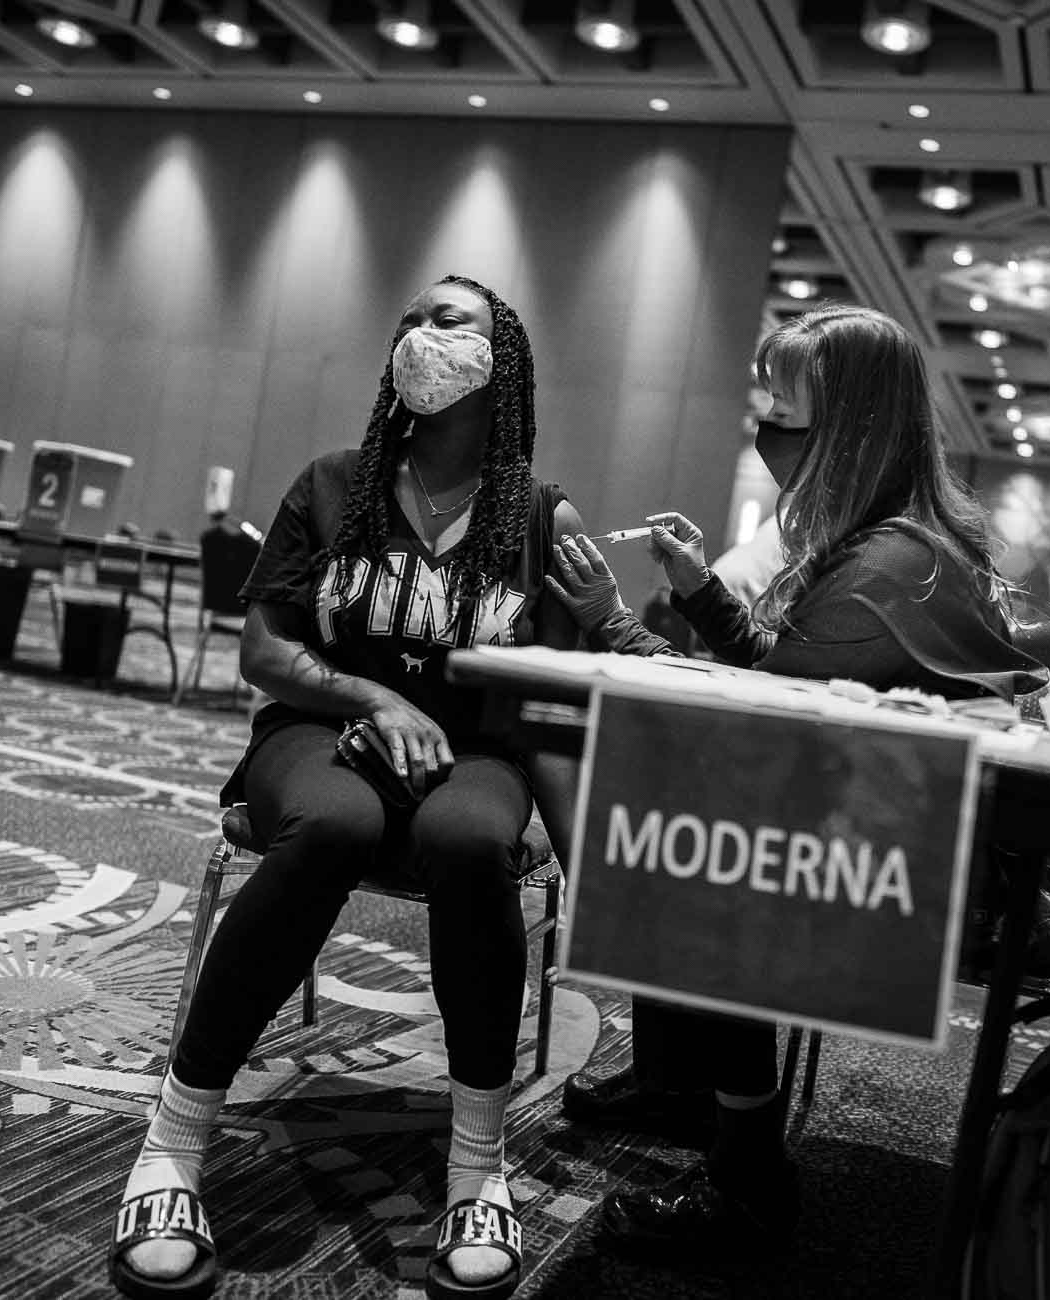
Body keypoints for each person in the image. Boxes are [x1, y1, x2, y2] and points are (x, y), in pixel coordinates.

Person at [106, 275, 652, 1300]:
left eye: (452, 319)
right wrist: (369, 698)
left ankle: (476, 1168)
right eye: (413, 316)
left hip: (478, 754)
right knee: (336, 824)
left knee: (467, 840)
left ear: (505, 366)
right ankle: (172, 1142)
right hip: (316, 734)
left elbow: (569, 700)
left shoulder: (540, 516)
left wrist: (586, 859)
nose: (421, 331)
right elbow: (262, 651)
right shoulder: (332, 485)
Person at [541, 304, 1050, 1264]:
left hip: (923, 876)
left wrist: (615, 624)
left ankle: (746, 1180)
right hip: (901, 821)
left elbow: (761, 720)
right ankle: (684, 1082)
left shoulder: (889, 565)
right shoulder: (888, 539)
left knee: (685, 833)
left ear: (852, 428)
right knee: (679, 790)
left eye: (785, 409)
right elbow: (790, 674)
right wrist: (698, 592)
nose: (766, 427)